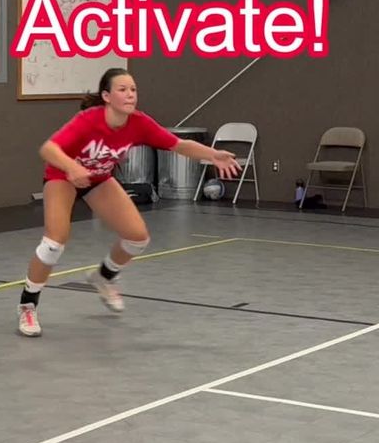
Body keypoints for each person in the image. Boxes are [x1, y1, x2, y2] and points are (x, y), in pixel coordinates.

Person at [18, 68, 239, 335]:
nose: (130, 95)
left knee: (137, 237)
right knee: (54, 244)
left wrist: (213, 154)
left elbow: (178, 145)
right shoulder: (88, 120)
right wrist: (72, 168)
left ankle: (103, 276)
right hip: (63, 175)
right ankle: (28, 306)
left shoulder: (139, 123)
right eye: (122, 89)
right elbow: (48, 149)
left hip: (98, 179)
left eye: (133, 89)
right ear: (107, 96)